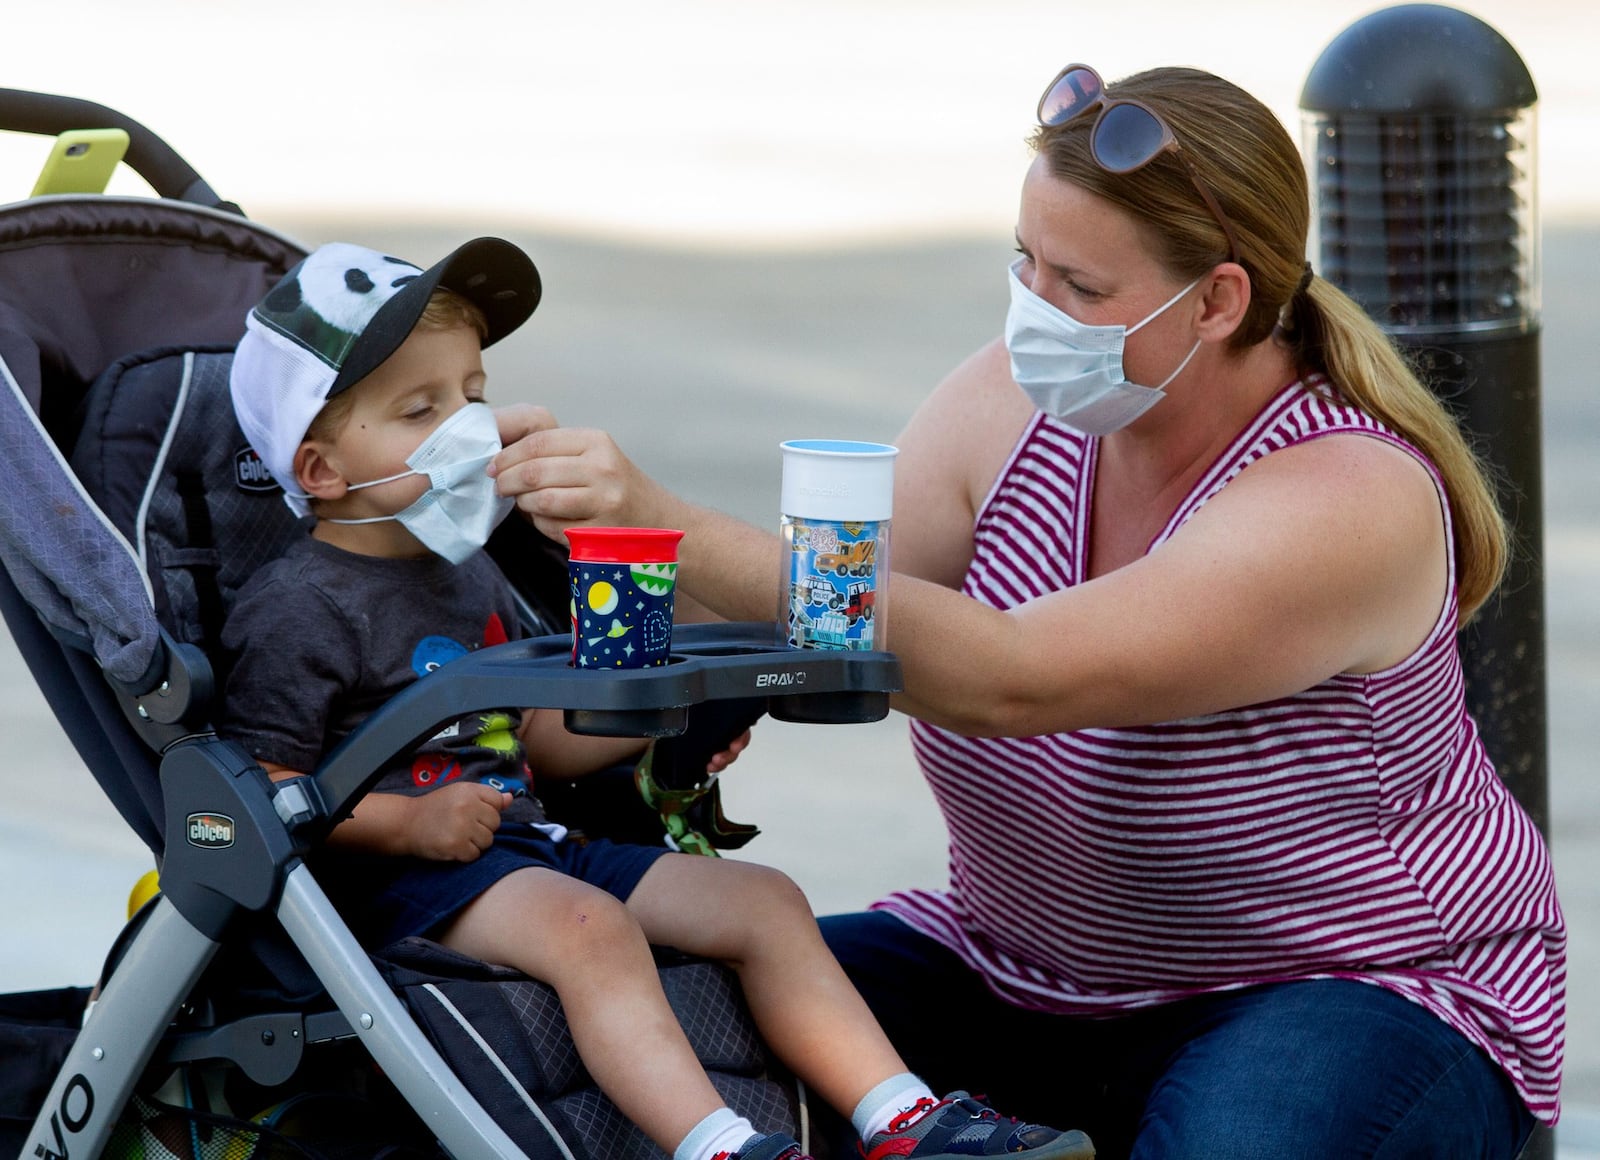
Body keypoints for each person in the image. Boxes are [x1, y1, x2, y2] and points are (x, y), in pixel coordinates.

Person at [490, 64, 1566, 1159]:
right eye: (1025, 262)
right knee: (626, 1039)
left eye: (1080, 287)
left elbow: (1018, 675)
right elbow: (819, 630)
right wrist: (522, 543)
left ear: (1218, 299)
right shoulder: (1009, 401)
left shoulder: (1345, 494)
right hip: (1015, 968)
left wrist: (661, 522)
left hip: (1343, 983)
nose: (1032, 311)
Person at [218, 237, 1096, 1160]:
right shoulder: (298, 606)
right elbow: (256, 792)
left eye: (471, 396)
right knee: (590, 928)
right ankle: (718, 1144)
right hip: (401, 887)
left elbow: (541, 746)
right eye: (419, 410)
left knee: (762, 901)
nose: (467, 431)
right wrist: (405, 826)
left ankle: (905, 1123)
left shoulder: (468, 571)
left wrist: (671, 714)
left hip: (528, 850)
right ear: (320, 471)